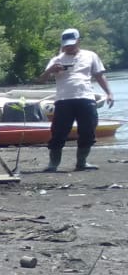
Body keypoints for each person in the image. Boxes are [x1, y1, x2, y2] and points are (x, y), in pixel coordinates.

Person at [40, 28, 115, 172]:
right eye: (66, 44)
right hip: (63, 99)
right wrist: (50, 70)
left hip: (86, 97)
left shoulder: (90, 56)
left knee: (88, 130)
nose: (68, 47)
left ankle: (82, 162)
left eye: (72, 44)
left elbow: (99, 76)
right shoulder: (56, 59)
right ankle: (53, 164)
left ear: (78, 41)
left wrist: (109, 93)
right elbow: (41, 80)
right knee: (58, 132)